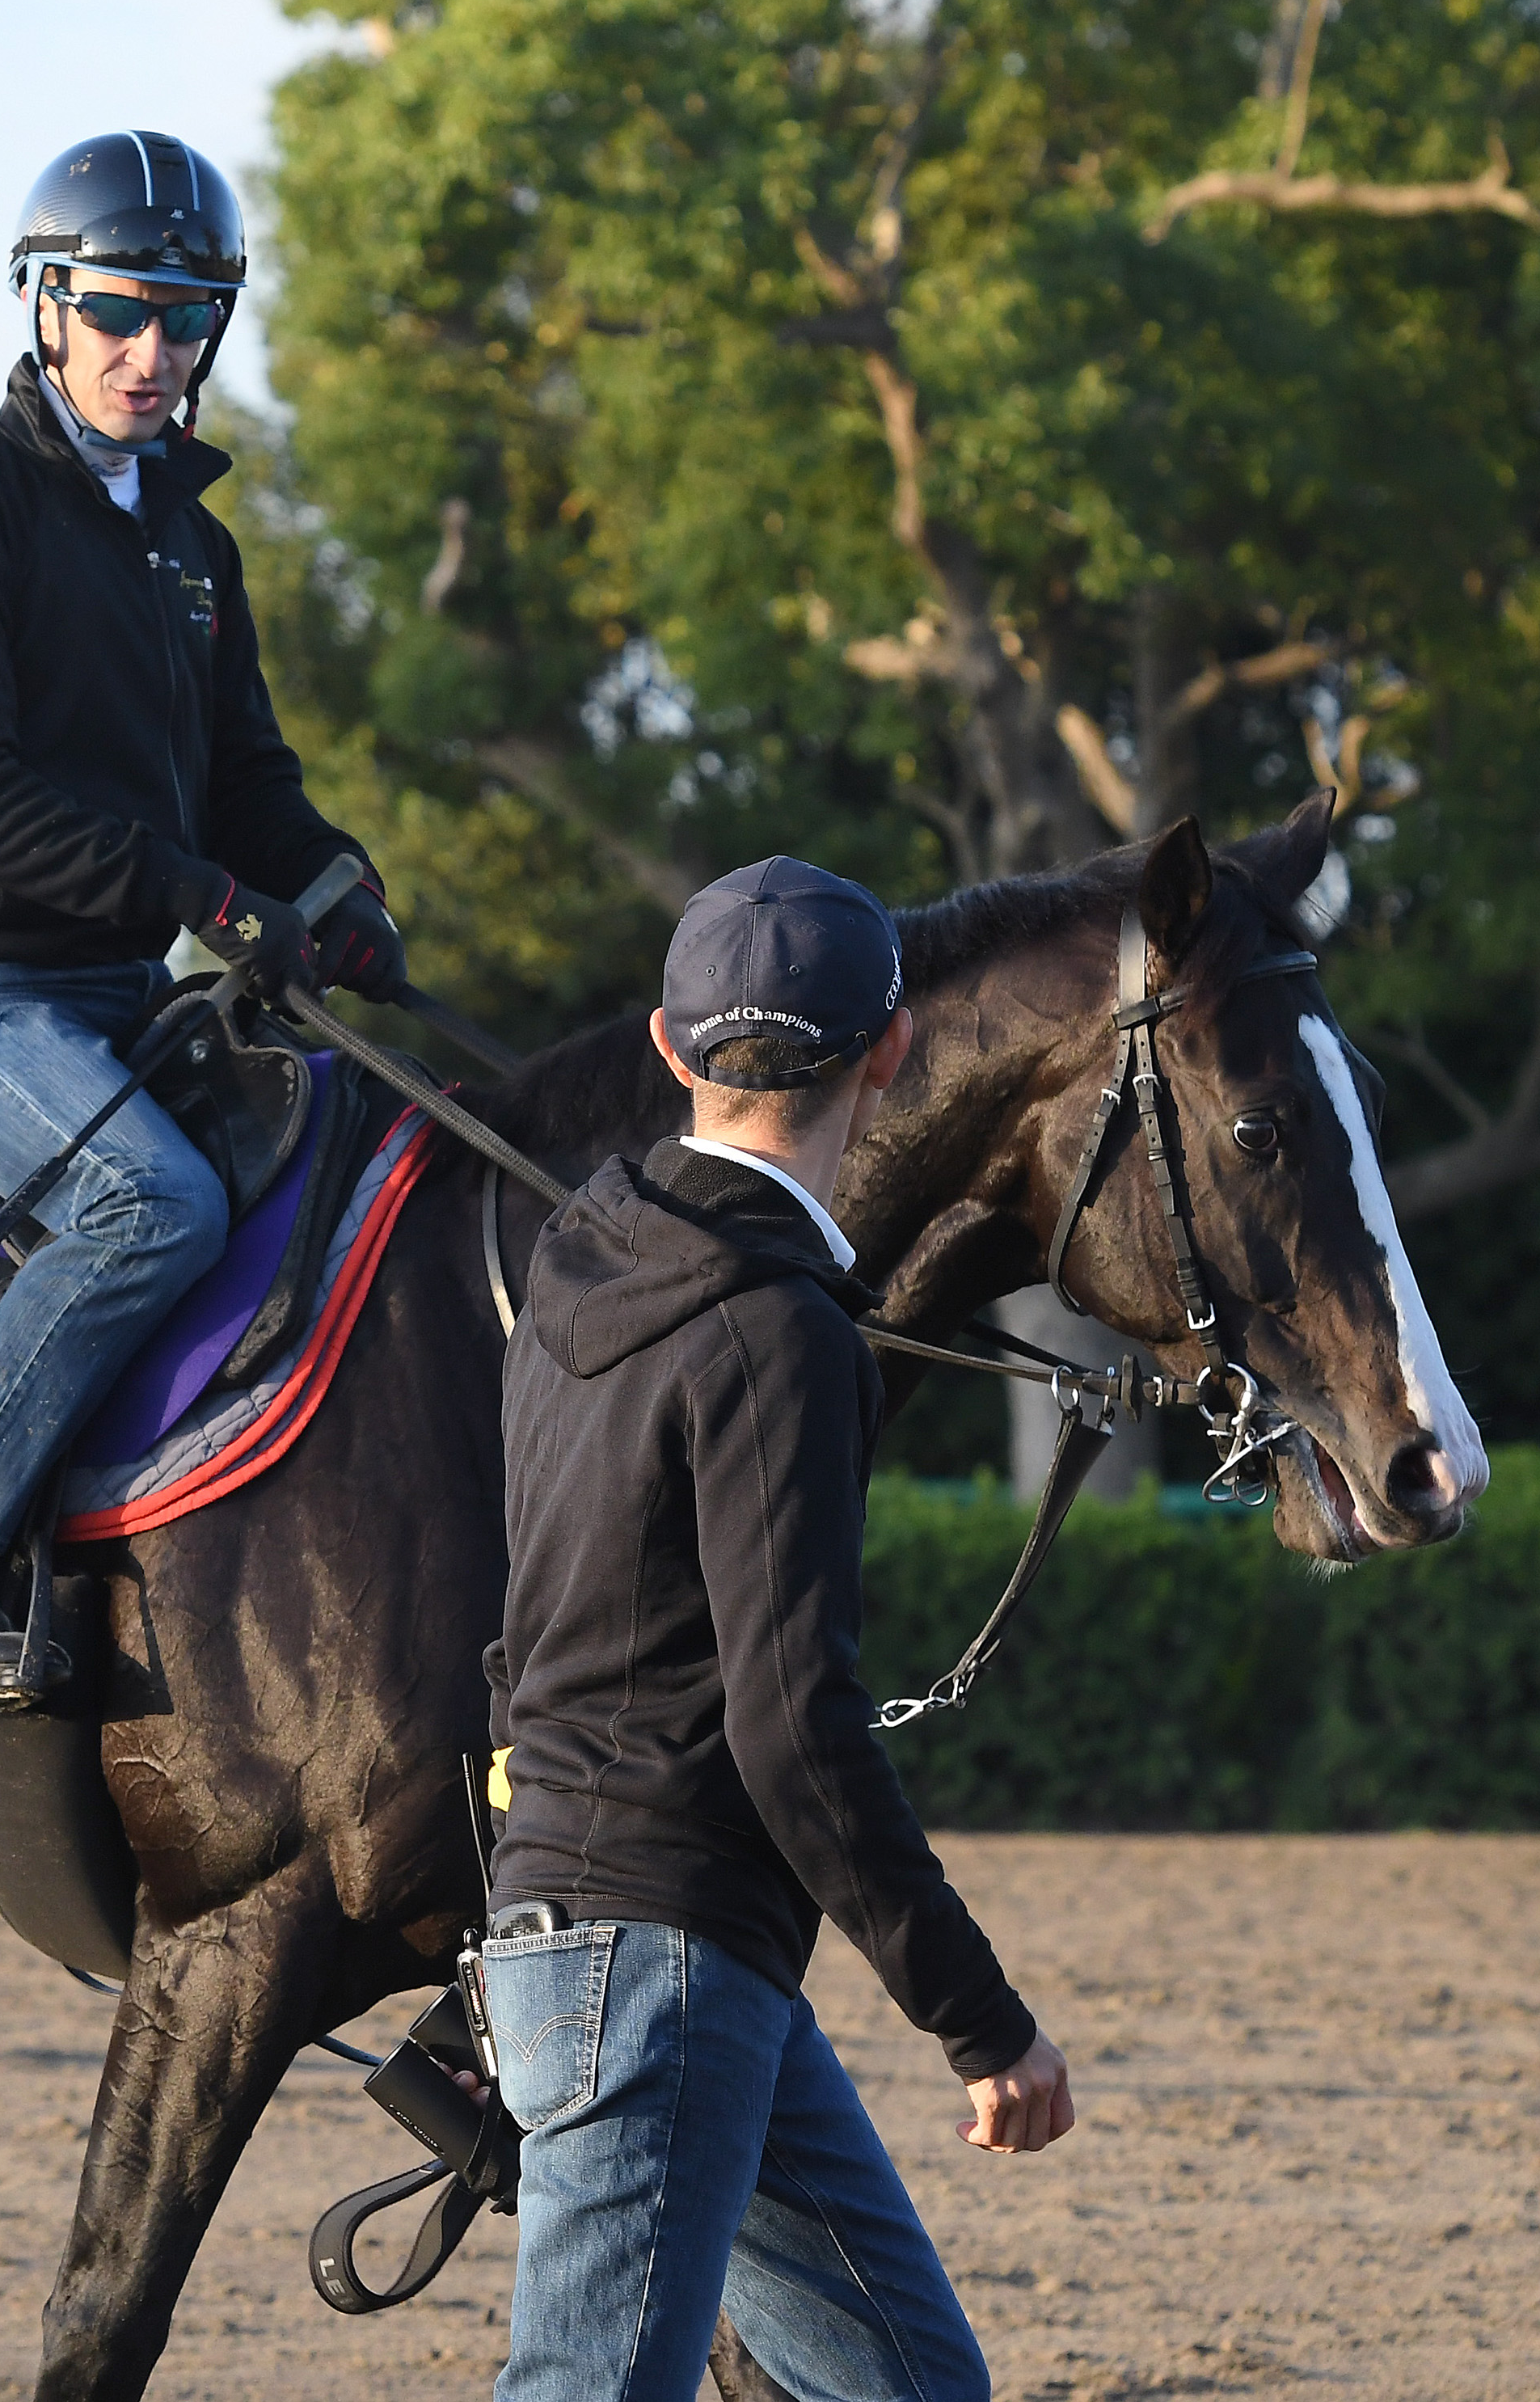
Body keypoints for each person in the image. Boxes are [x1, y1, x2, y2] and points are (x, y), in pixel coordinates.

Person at [0, 130, 408, 1692]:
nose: (154, 354)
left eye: (189, 318)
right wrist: (202, 894)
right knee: (155, 1206)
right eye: (121, 313)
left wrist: (336, 888)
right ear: (46, 306)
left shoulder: (193, 548)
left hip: (124, 1001)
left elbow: (248, 788)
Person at [477, 858, 1072, 2402]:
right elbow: (795, 1726)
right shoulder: (780, 1330)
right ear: (890, 1053)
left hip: (622, 1945)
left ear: (670, 1051)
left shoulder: (571, 1259)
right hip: (660, 1963)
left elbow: (519, 1623)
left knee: (911, 2385)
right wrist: (979, 2018)